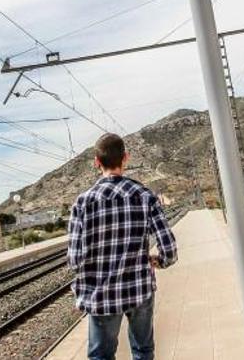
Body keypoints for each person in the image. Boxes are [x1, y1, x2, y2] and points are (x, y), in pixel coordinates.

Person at [67, 133, 178, 360]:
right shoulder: (145, 196)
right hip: (139, 288)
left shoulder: (82, 202)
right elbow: (170, 249)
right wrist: (159, 261)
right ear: (125, 158)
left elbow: (74, 260)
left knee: (101, 356)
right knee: (143, 350)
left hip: (101, 294)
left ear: (97, 162)